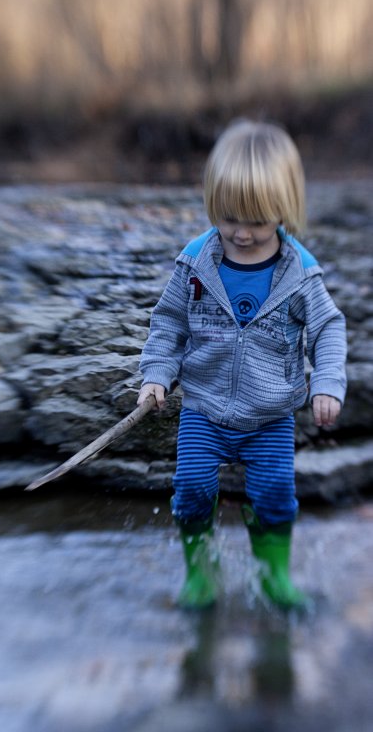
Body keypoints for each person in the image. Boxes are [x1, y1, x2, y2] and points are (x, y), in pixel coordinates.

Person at [137, 119, 347, 610]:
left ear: (285, 210)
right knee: (191, 486)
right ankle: (201, 571)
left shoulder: (299, 274)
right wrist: (156, 375)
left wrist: (328, 383)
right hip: (205, 410)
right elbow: (168, 324)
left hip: (269, 416)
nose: (241, 233)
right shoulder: (196, 263)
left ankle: (274, 575)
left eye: (257, 221)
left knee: (274, 491)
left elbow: (328, 329)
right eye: (228, 218)